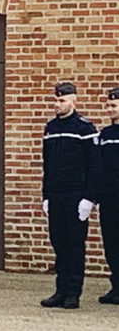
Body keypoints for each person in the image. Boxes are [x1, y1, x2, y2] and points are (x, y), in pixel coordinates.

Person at [41, 82, 99, 310]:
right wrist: (45, 195)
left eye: (62, 100)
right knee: (59, 242)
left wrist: (89, 198)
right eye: (56, 100)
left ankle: (73, 292)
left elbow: (94, 165)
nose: (57, 104)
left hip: (76, 194)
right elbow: (48, 164)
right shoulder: (50, 128)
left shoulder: (85, 128)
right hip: (56, 193)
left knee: (75, 244)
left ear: (74, 101)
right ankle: (61, 289)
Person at [96, 87, 119, 305]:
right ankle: (116, 286)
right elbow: (99, 167)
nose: (109, 109)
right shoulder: (106, 134)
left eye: (113, 105)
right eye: (108, 105)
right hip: (109, 198)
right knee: (111, 243)